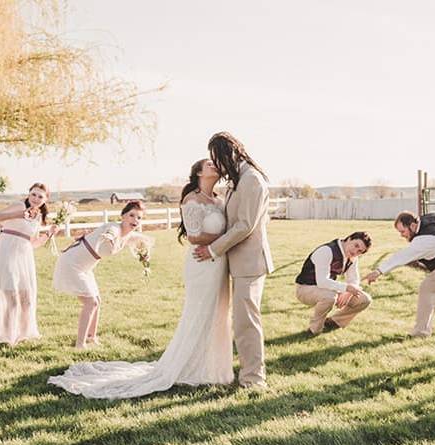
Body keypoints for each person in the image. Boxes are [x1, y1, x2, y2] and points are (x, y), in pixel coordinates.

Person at [49, 159, 234, 397]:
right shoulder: (192, 200)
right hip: (201, 262)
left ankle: (212, 366)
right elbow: (194, 236)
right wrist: (227, 236)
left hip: (219, 264)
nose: (215, 165)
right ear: (198, 172)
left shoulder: (219, 200)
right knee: (199, 312)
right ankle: (188, 364)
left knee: (219, 313)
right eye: (209, 164)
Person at [193, 132, 273, 389]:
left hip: (250, 263)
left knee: (246, 323)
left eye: (216, 157)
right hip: (237, 262)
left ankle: (253, 380)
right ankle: (243, 374)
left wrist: (213, 249)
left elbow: (245, 225)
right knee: (239, 322)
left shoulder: (251, 180)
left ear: (227, 153)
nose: (215, 163)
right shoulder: (238, 179)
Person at [52, 200, 152, 349]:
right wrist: (109, 238)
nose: (135, 220)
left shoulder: (127, 236)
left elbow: (143, 241)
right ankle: (80, 344)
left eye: (139, 217)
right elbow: (109, 233)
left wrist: (145, 255)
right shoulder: (114, 228)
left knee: (97, 301)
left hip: (86, 267)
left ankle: (92, 337)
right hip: (72, 264)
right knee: (90, 302)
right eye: (132, 215)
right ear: (123, 216)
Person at [364, 211, 435, 337]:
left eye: (403, 232)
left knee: (428, 289)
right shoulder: (431, 218)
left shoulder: (424, 240)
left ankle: (421, 333)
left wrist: (378, 271)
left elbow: (402, 256)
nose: (402, 236)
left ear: (413, 226)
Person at [0, 183, 59, 345]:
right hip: (6, 252)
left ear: (46, 200)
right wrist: (20, 214)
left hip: (24, 256)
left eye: (40, 196)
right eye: (33, 194)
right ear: (28, 194)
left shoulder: (39, 217)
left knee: (26, 299)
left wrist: (49, 234)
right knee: (12, 299)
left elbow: (33, 243)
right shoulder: (19, 205)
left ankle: (24, 334)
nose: (35, 199)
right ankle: (7, 337)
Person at [295, 231, 372, 335]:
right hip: (305, 289)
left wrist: (348, 292)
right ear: (349, 239)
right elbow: (322, 281)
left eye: (360, 251)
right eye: (356, 245)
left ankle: (333, 322)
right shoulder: (327, 251)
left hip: (328, 289)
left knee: (364, 299)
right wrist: (346, 288)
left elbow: (354, 279)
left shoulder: (352, 257)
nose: (355, 251)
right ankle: (314, 330)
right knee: (329, 297)